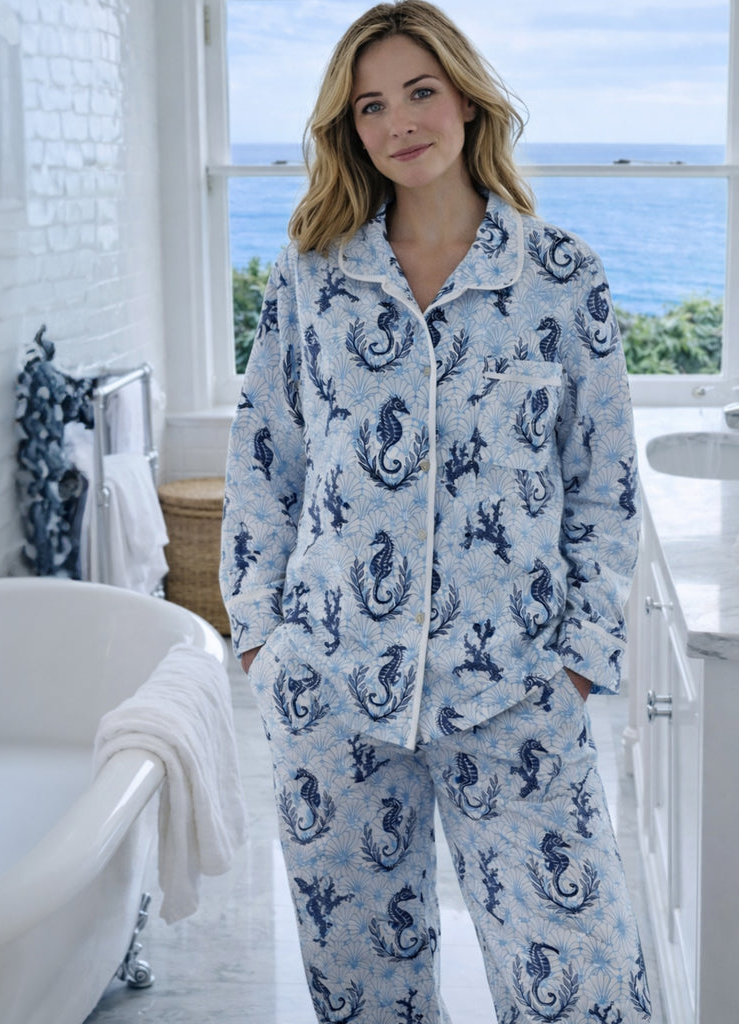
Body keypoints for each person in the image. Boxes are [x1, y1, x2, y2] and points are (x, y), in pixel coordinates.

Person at [219, 3, 651, 1021]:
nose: (399, 121)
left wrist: (577, 655)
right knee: (365, 999)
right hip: (331, 688)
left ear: (465, 97)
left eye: (419, 91)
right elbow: (263, 458)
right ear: (348, 129)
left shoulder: (560, 278)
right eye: (370, 105)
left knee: (584, 987)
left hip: (515, 691)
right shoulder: (314, 274)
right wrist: (261, 643)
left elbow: (604, 482)